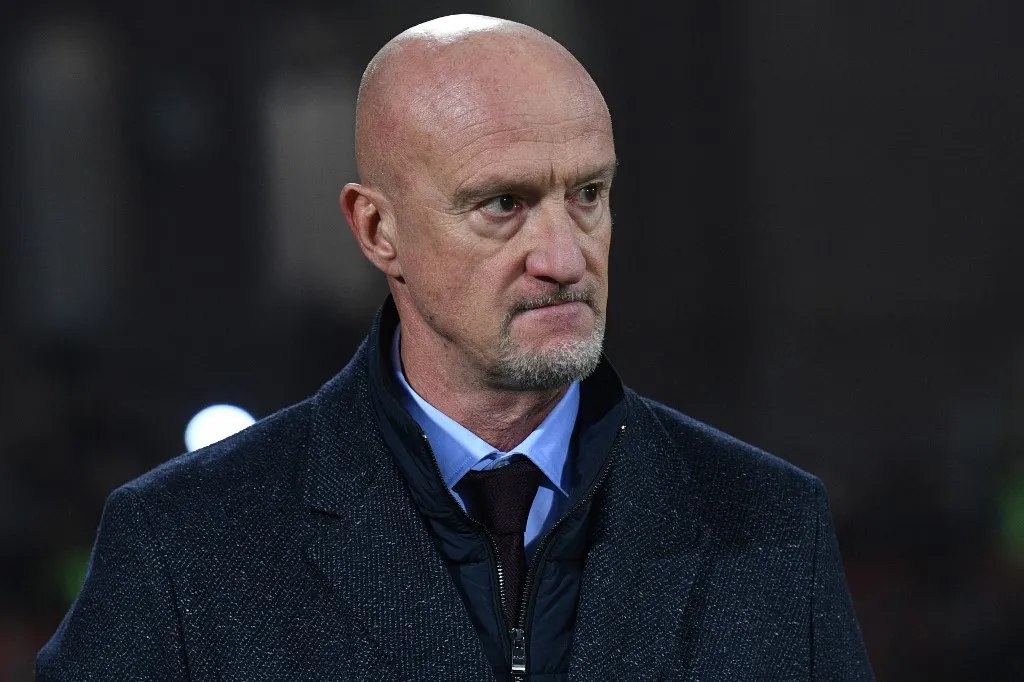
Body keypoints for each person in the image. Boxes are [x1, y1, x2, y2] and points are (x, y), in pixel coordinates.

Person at [37, 14, 874, 681]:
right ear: (378, 228)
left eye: (588, 194)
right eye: (503, 204)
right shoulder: (187, 544)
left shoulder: (769, 525)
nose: (564, 256)